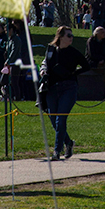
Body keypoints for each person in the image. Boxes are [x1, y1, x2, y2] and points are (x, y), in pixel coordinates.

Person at [40, 26, 90, 161]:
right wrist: (43, 71)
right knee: (53, 119)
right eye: (69, 35)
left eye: (72, 35)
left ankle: (57, 151)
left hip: (69, 88)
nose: (71, 38)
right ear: (60, 37)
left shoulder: (73, 52)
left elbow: (87, 65)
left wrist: (73, 74)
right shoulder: (51, 50)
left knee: (60, 119)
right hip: (51, 88)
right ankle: (68, 142)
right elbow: (44, 63)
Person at [86, 26, 105, 97]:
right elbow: (91, 54)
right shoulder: (91, 41)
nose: (104, 34)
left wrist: (103, 59)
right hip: (92, 62)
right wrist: (100, 60)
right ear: (97, 33)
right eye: (102, 32)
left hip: (103, 62)